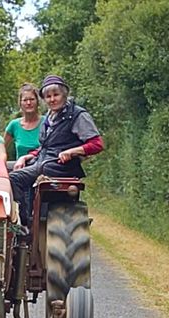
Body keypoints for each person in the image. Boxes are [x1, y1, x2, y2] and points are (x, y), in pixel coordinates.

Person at [10, 75, 104, 227]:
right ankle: (28, 216)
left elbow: (97, 144)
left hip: (58, 166)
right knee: (12, 173)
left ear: (64, 95)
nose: (52, 99)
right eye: (48, 96)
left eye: (56, 95)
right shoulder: (49, 117)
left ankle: (26, 221)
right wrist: (27, 156)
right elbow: (46, 147)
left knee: (15, 178)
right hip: (43, 162)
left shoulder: (78, 115)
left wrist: (73, 151)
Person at [4, 83, 44, 160]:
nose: (28, 103)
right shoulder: (14, 125)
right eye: (25, 100)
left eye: (32, 99)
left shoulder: (47, 122)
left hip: (43, 168)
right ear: (20, 103)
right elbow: (1, 149)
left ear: (37, 101)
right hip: (20, 169)